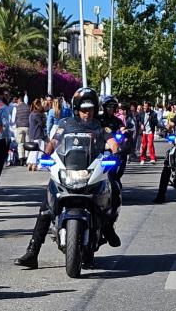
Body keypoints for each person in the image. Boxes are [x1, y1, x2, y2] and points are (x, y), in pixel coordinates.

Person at [14, 88, 121, 269]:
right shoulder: (66, 124)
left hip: (92, 170)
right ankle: (32, 251)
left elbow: (112, 143)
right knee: (46, 206)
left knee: (114, 187)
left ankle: (108, 228)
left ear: (96, 109)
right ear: (76, 108)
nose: (87, 112)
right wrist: (45, 155)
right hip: (69, 169)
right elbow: (54, 143)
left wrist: (115, 154)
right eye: (83, 109)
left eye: (91, 109)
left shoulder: (101, 125)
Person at [0, 88, 12, 190]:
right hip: (0, 137)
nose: (8, 97)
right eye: (6, 95)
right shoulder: (3, 107)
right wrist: (8, 138)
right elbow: (5, 124)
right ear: (1, 95)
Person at [27, 99, 47, 172]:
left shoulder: (31, 113)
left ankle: (30, 164)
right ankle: (36, 164)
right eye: (40, 105)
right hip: (38, 133)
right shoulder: (38, 114)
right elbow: (42, 124)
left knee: (33, 150)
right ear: (38, 105)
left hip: (32, 134)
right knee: (38, 150)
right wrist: (44, 118)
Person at [12, 95, 30, 167]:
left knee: (20, 144)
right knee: (27, 143)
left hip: (19, 127)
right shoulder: (28, 107)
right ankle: (27, 159)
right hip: (27, 127)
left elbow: (13, 120)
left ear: (19, 100)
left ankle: (21, 159)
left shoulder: (16, 108)